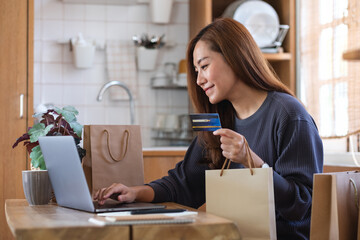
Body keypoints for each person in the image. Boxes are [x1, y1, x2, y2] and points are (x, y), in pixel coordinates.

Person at [94, 18, 323, 240]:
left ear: (235, 57)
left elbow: (302, 204)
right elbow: (185, 183)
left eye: (204, 66)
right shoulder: (219, 120)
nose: (199, 80)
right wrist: (135, 192)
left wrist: (250, 160)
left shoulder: (289, 115)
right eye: (196, 70)